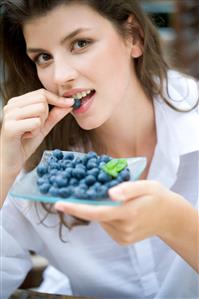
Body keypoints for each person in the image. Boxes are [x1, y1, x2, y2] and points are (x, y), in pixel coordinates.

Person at [0, 1, 198, 299]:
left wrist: (175, 222)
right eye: (43, 57)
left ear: (133, 36)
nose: (59, 77)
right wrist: (3, 167)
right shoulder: (30, 157)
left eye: (80, 43)